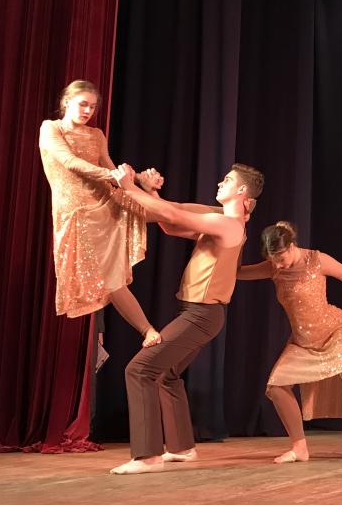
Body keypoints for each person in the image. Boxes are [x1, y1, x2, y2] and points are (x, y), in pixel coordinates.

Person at [107, 162, 264, 475]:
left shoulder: (231, 225)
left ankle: (147, 456)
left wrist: (128, 186)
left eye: (228, 180)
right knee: (167, 375)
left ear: (242, 191)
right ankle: (181, 448)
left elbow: (173, 215)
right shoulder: (218, 218)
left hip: (202, 314)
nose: (220, 183)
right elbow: (170, 221)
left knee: (140, 370)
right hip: (196, 313)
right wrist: (150, 191)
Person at [237, 221, 342, 463]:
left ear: (291, 246)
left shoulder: (317, 260)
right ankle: (299, 448)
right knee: (276, 387)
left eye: (281, 258)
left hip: (336, 330)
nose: (278, 265)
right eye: (273, 260)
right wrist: (232, 244)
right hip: (303, 340)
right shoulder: (274, 268)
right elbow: (238, 273)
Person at [37, 80, 156, 344]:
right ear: (67, 102)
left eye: (92, 107)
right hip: (79, 213)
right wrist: (114, 175)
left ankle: (219, 214)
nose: (88, 111)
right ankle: (147, 330)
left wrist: (136, 179)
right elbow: (70, 162)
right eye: (83, 104)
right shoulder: (51, 128)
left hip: (105, 200)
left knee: (160, 211)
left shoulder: (97, 134)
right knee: (112, 280)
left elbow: (111, 169)